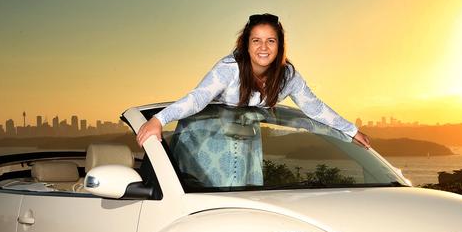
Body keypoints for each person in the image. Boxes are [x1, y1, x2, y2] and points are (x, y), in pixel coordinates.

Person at [135, 13, 371, 149]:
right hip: (206, 140)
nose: (263, 47)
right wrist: (159, 119)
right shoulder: (229, 68)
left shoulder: (288, 76)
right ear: (246, 44)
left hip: (246, 142)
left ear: (280, 46)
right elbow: (198, 98)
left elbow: (314, 108)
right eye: (256, 40)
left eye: (271, 41)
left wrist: (351, 130)